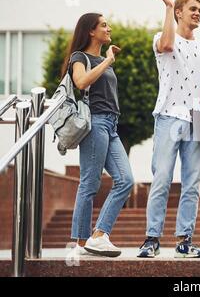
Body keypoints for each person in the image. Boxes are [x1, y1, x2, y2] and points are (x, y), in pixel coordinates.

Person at [138, 0, 200, 258]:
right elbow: (168, 46)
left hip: (197, 118)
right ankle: (152, 240)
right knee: (161, 178)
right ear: (179, 13)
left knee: (191, 183)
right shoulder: (163, 37)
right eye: (192, 9)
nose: (197, 14)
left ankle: (185, 241)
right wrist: (168, 8)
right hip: (169, 115)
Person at [63, 13, 134, 257]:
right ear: (90, 31)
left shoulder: (103, 58)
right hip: (94, 123)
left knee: (126, 180)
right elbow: (81, 82)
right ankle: (82, 243)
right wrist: (107, 62)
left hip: (111, 125)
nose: (109, 28)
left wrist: (107, 60)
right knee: (90, 183)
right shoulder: (79, 57)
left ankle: (99, 235)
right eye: (104, 25)